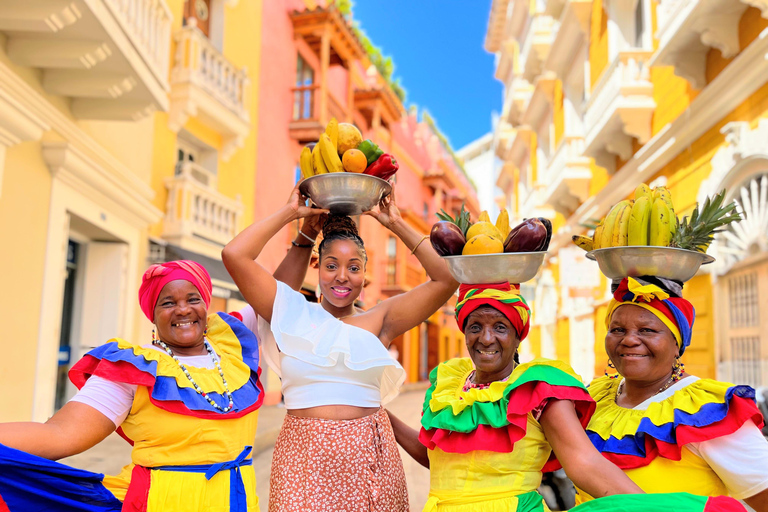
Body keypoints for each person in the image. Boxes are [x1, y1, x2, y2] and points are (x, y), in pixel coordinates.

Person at [221, 183, 459, 511]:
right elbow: (234, 255)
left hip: (371, 464)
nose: (342, 277)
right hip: (301, 466)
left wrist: (394, 222)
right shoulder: (291, 314)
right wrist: (295, 216)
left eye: (354, 267)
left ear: (365, 273)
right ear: (317, 266)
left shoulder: (382, 318)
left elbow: (446, 279)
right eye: (332, 265)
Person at [0, 260, 263, 512]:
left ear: (206, 305)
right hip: (162, 504)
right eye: (168, 303)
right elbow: (59, 435)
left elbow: (275, 294)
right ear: (153, 315)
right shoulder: (134, 367)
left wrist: (303, 238)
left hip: (238, 500)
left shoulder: (231, 347)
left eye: (193, 299)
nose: (183, 310)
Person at [386, 281, 645, 511]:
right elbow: (439, 458)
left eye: (500, 327)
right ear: (464, 333)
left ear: (517, 335)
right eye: (475, 326)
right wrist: (380, 414)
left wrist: (649, 507)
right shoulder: (449, 387)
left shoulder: (538, 389)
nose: (486, 339)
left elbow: (585, 463)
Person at [580, 276, 768, 511]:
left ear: (676, 342)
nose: (629, 340)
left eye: (647, 330)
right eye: (617, 329)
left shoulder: (706, 411)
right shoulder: (595, 396)